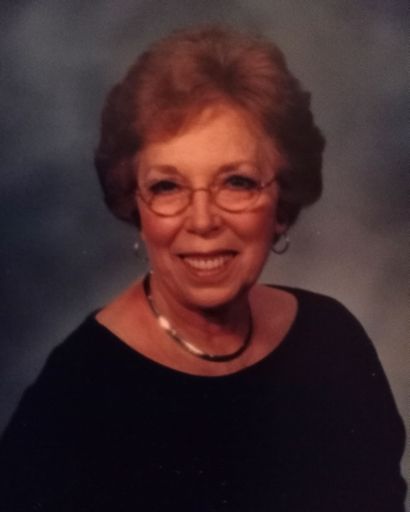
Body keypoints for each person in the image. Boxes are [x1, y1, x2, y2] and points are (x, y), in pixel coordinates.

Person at [0, 26, 406, 512]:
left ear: (280, 204)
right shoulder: (77, 394)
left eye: (237, 182)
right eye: (167, 186)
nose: (203, 220)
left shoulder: (332, 341)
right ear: (135, 205)